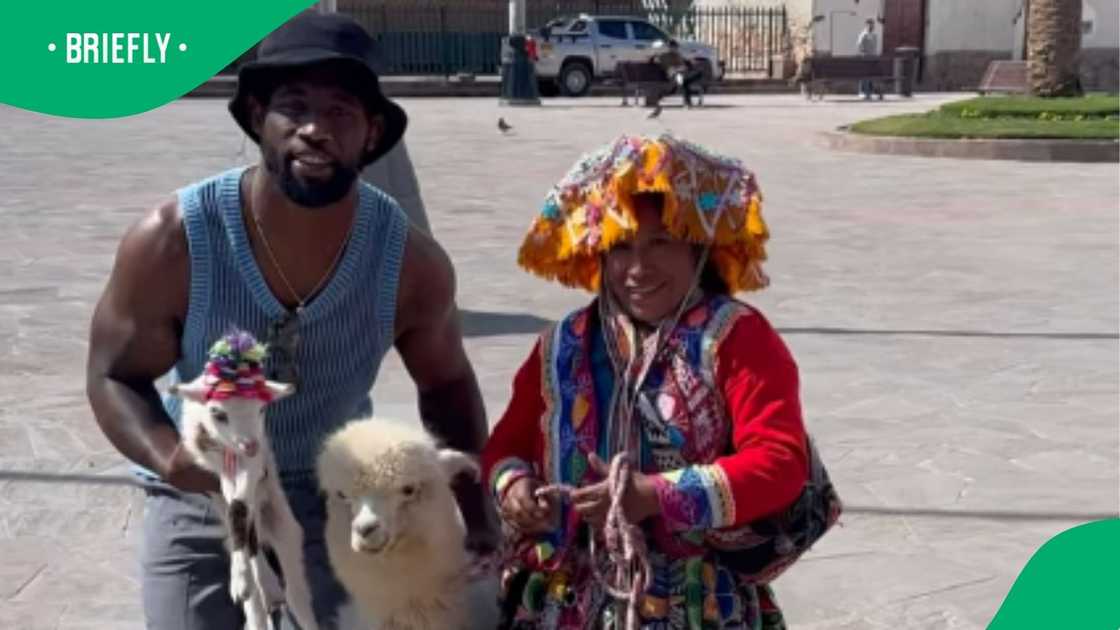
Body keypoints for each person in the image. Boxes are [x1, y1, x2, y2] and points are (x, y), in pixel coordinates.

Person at [85, 11, 497, 629]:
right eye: (294, 106)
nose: (313, 129)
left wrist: (477, 510)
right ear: (258, 119)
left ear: (372, 131)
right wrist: (172, 458)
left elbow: (445, 386)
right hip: (204, 495)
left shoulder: (409, 263)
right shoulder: (173, 242)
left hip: (338, 497)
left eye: (339, 112)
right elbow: (114, 375)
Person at [481, 135, 841, 629]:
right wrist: (515, 485)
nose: (637, 268)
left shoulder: (737, 339)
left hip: (699, 603)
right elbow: (506, 445)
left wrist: (655, 494)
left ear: (698, 248)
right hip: (563, 601)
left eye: (660, 243)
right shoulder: (561, 347)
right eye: (620, 247)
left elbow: (780, 464)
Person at [651, 40, 703, 108]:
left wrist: (690, 62)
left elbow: (685, 64)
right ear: (669, 48)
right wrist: (655, 55)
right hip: (674, 75)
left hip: (682, 75)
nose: (675, 49)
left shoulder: (678, 55)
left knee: (687, 80)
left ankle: (688, 103)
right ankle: (688, 102)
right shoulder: (664, 56)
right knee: (684, 82)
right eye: (673, 47)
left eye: (676, 47)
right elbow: (654, 60)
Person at [856, 19, 879, 100]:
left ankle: (869, 92)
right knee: (865, 76)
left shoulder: (874, 35)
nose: (871, 26)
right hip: (865, 58)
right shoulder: (863, 35)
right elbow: (859, 46)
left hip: (872, 58)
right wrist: (863, 53)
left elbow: (875, 48)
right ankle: (863, 92)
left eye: (872, 25)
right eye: (870, 25)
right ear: (866, 25)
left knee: (870, 76)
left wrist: (875, 56)